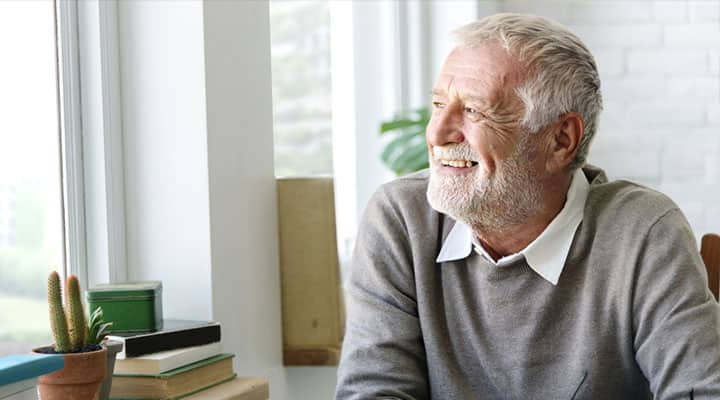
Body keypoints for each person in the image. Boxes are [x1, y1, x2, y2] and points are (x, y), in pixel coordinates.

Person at [335, 13, 720, 400]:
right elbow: (373, 392)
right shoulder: (400, 219)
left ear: (560, 140)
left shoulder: (643, 231)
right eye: (438, 104)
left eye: (474, 110)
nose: (436, 133)